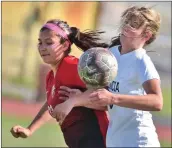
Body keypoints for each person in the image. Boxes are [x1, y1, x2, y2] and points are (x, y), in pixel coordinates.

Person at [54, 6, 163, 147]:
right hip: (115, 141)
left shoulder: (141, 61)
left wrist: (112, 98)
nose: (126, 27)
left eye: (134, 25)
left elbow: (157, 101)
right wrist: (76, 100)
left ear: (146, 35)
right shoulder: (110, 55)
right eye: (126, 21)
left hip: (138, 141)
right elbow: (107, 102)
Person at [10, 19, 110, 148]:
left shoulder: (72, 66)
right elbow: (51, 104)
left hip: (98, 141)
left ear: (65, 45)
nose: (42, 47)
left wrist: (77, 99)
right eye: (40, 42)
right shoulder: (51, 76)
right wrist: (30, 130)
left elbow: (107, 92)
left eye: (49, 42)